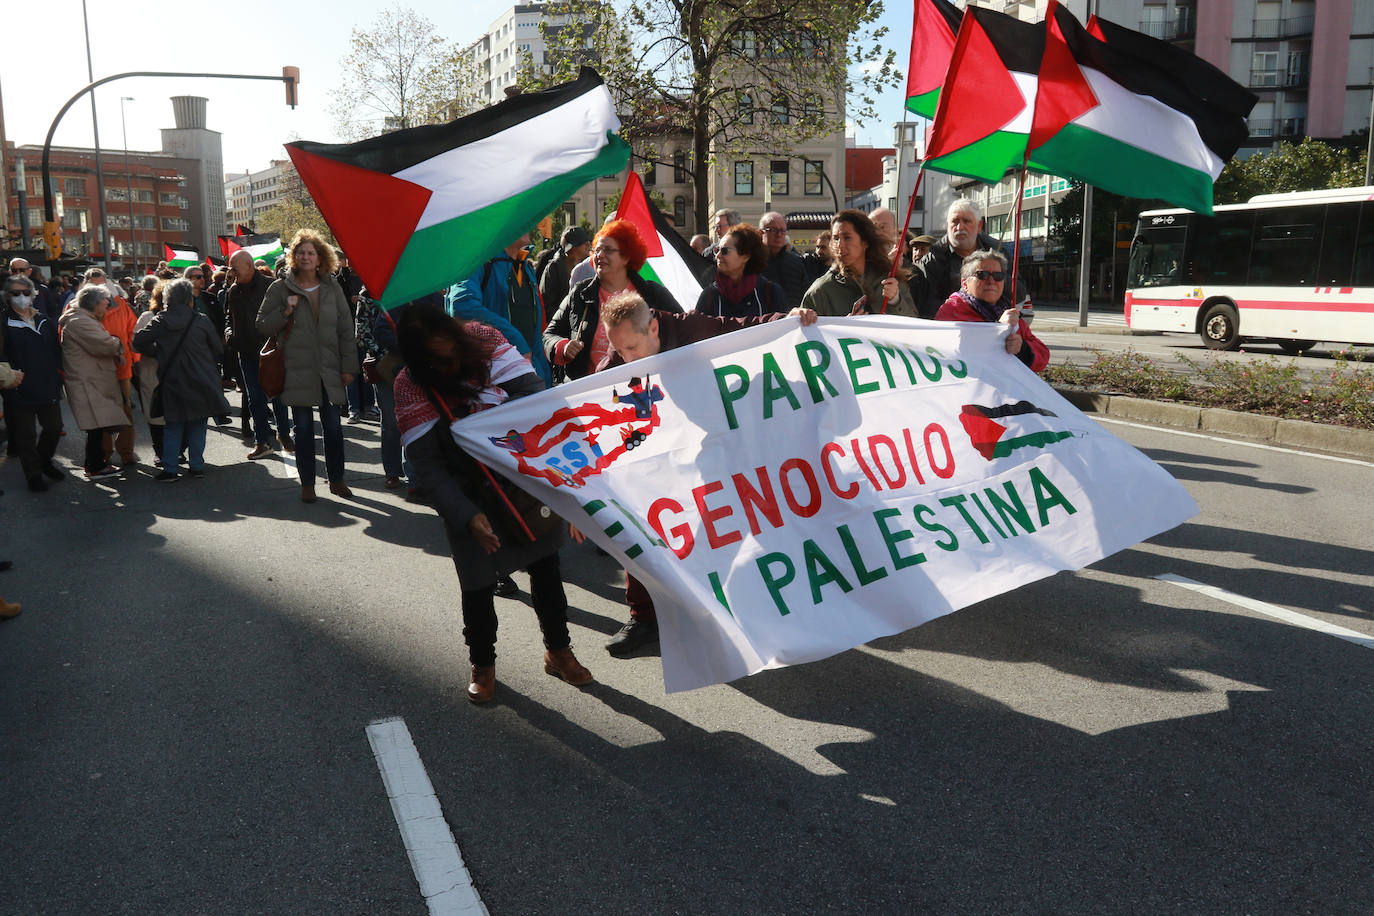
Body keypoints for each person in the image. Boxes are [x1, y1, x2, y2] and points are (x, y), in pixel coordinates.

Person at [591, 292, 818, 655]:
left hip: (713, 449)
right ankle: (645, 619)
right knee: (641, 529)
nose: (627, 359)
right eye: (621, 351)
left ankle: (721, 613)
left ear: (653, 327)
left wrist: (788, 317)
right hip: (660, 455)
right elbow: (595, 408)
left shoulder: (691, 328)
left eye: (633, 348)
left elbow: (742, 330)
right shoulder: (617, 361)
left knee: (720, 535)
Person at [394, 302, 593, 703]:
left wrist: (569, 483)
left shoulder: (484, 340)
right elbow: (428, 468)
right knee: (478, 585)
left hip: (518, 475)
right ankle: (482, 664)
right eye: (438, 359)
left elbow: (537, 401)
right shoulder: (409, 385)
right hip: (466, 492)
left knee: (547, 568)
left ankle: (558, 650)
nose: (449, 363)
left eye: (451, 351)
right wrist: (466, 517)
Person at [256, 229, 359, 503]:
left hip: (329, 369)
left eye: (310, 252)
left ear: (320, 257)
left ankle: (336, 479)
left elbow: (346, 329)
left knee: (334, 428)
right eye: (300, 252)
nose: (305, 257)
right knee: (302, 430)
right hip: (295, 368)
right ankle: (308, 484)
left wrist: (349, 366)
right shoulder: (279, 288)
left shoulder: (332, 286)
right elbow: (262, 324)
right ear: (293, 256)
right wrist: (285, 311)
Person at [542, 219, 682, 381]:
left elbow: (682, 332)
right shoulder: (580, 293)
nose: (599, 255)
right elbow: (550, 334)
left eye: (608, 250)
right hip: (591, 393)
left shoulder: (652, 294)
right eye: (597, 250)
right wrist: (562, 346)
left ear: (627, 257)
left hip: (646, 391)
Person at [133, 279, 232, 479]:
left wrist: (158, 352)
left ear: (167, 299)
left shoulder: (161, 319)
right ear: (189, 299)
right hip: (201, 378)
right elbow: (218, 348)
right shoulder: (201, 320)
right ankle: (197, 465)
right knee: (198, 424)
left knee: (173, 424)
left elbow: (138, 342)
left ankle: (170, 468)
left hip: (172, 378)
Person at [447, 232, 553, 387]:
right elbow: (461, 306)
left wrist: (545, 380)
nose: (529, 224)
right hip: (491, 381)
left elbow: (533, 333)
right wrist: (516, 342)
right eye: (519, 216)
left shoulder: (525, 266)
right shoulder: (476, 259)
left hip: (529, 378)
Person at [225, 250, 292, 459]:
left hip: (272, 351)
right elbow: (229, 317)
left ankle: (284, 433)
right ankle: (261, 441)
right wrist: (229, 335)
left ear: (249, 266)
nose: (231, 272)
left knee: (278, 395)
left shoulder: (271, 285)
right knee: (255, 399)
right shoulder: (233, 291)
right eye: (230, 268)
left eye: (235, 268)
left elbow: (286, 316)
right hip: (246, 352)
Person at [936, 249, 1049, 373]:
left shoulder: (1008, 311)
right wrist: (998, 329)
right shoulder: (951, 311)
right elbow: (951, 352)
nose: (991, 281)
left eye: (998, 276)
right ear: (965, 283)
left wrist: (1022, 349)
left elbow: (1043, 356)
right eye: (982, 275)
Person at [1, 274, 64, 491]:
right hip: (18, 387)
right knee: (26, 435)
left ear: (33, 294)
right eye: (15, 293)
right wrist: (7, 374)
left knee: (54, 427)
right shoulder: (3, 321)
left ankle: (44, 461)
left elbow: (57, 351)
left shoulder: (45, 320)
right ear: (7, 297)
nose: (21, 297)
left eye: (26, 292)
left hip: (47, 383)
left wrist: (61, 376)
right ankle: (33, 474)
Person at [58, 285, 128, 480]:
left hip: (91, 379)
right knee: (95, 425)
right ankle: (95, 466)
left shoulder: (81, 318)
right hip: (87, 381)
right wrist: (117, 342)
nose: (107, 308)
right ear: (94, 304)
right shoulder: (80, 321)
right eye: (105, 304)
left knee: (97, 425)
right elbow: (104, 344)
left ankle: (96, 463)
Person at [914, 198, 1023, 319]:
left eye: (966, 221)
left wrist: (994, 276)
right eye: (955, 222)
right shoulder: (932, 260)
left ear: (979, 225)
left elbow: (1019, 293)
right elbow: (926, 306)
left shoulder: (1000, 252)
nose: (960, 227)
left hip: (994, 327)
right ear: (947, 225)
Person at [801, 209, 916, 319]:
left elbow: (913, 326)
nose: (840, 245)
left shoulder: (889, 279)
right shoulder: (821, 291)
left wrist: (895, 301)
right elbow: (804, 333)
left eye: (847, 238)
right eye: (836, 239)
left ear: (865, 242)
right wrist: (844, 328)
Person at [695, 223, 787, 318]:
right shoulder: (709, 295)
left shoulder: (770, 293)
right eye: (716, 250)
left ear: (746, 256)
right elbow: (698, 329)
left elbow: (782, 329)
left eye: (724, 251)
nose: (717, 256)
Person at [185, 265, 231, 427]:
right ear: (188, 279)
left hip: (210, 347)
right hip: (190, 349)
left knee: (214, 378)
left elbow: (220, 318)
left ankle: (219, 413)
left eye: (202, 276)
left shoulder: (210, 298)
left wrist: (221, 338)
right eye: (198, 277)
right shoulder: (182, 300)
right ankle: (200, 412)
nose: (202, 279)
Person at [537, 225, 591, 329]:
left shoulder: (590, 265)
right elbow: (547, 303)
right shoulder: (554, 268)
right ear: (572, 249)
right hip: (561, 328)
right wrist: (561, 325)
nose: (587, 245)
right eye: (582, 243)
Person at [758, 211, 809, 308]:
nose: (779, 235)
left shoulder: (796, 262)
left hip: (793, 320)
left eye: (782, 231)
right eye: (773, 230)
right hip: (765, 321)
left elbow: (806, 295)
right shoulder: (752, 262)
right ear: (761, 233)